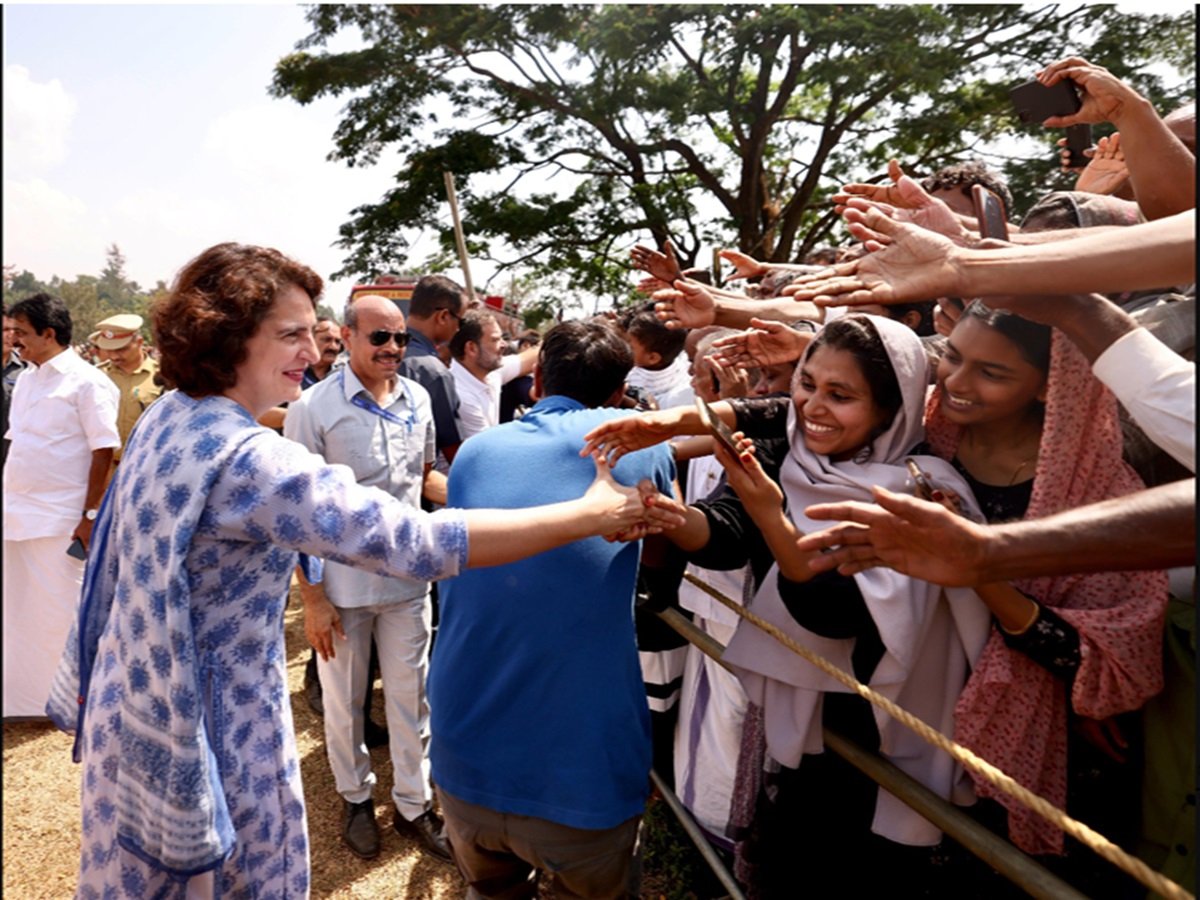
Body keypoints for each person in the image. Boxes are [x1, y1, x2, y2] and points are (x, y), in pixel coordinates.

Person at [43, 243, 676, 899]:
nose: (310, 350)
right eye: (290, 334)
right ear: (228, 338)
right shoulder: (248, 457)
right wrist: (588, 514)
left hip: (137, 696)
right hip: (216, 717)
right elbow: (415, 540)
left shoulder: (170, 416)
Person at [586, 314, 992, 896]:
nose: (813, 406)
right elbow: (727, 533)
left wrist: (771, 515)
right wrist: (677, 519)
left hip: (883, 736)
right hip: (815, 733)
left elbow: (832, 612)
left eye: (840, 395)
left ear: (891, 407)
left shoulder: (921, 492)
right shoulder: (795, 454)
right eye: (807, 383)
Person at [921, 302, 1166, 892]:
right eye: (952, 356)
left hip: (1048, 754)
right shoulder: (921, 442)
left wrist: (975, 565)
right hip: (918, 719)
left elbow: (1102, 667)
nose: (956, 382)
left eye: (991, 372)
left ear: (1046, 386)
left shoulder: (1101, 493)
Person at [428, 319, 677, 899]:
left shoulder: (476, 453)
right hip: (583, 772)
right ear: (620, 393)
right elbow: (664, 559)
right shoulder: (642, 449)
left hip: (465, 755)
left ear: (537, 380)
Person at [284, 294, 452, 862]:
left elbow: (424, 479)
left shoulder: (418, 398)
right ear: (349, 336)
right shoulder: (312, 408)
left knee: (411, 698)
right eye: (380, 337)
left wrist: (485, 499)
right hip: (342, 587)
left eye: (400, 338)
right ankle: (355, 798)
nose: (392, 348)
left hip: (408, 580)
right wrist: (312, 598)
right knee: (344, 702)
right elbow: (297, 513)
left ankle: (413, 805)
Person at [3, 294, 119, 720]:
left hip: (62, 519)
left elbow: (104, 449)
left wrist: (90, 516)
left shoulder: (87, 382)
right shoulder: (27, 380)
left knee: (61, 613)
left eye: (21, 332)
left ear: (48, 333)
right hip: (17, 514)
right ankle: (26, 702)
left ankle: (74, 698)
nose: (13, 339)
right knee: (19, 611)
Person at [399, 274, 468, 469]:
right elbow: (454, 450)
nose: (458, 330)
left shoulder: (378, 355)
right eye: (460, 321)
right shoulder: (434, 372)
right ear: (443, 316)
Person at [447, 309, 537, 440]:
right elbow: (484, 448)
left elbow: (530, 358)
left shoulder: (490, 371)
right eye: (495, 340)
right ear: (471, 348)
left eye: (502, 338)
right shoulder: (461, 394)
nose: (504, 344)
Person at [92, 313, 164, 473]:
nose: (114, 356)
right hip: (105, 469)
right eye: (109, 350)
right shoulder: (97, 376)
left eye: (121, 349)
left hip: (146, 468)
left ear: (139, 342)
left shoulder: (162, 376)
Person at [2, 303, 29, 468]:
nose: (10, 335)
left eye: (14, 330)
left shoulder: (26, 370)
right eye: (5, 330)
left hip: (13, 460)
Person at [302, 315, 343, 388]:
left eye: (337, 341)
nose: (333, 347)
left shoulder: (343, 379)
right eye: (327, 340)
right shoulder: (292, 375)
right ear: (310, 340)